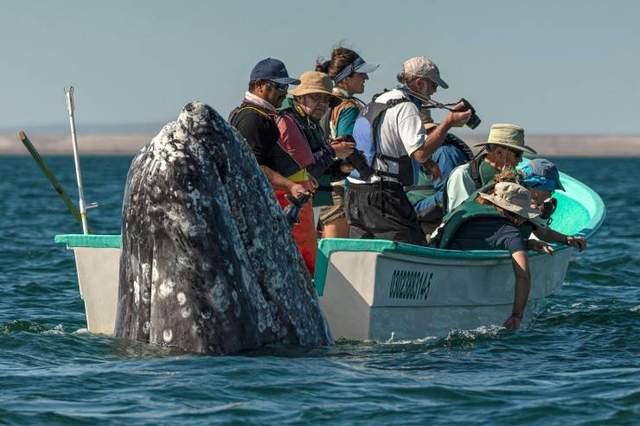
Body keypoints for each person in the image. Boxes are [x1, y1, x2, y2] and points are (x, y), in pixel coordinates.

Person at [346, 56, 471, 244]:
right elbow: (419, 153)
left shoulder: (381, 99)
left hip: (355, 191)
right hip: (382, 192)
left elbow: (388, 143)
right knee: (415, 248)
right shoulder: (406, 107)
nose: (434, 92)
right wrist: (448, 123)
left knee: (365, 252)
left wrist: (428, 163)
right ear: (420, 83)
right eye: (433, 86)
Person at [436, 182, 586, 329]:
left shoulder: (471, 209)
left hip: (439, 273)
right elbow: (523, 274)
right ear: (517, 214)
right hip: (459, 285)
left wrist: (527, 243)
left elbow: (485, 239)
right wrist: (517, 315)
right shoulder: (510, 232)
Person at [276, 71, 354, 272]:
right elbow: (300, 169)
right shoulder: (289, 122)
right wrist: (332, 151)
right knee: (299, 261)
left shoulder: (309, 123)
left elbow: (315, 169)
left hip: (305, 202)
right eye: (315, 97)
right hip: (290, 202)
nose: (322, 103)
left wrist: (342, 168)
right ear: (300, 97)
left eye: (326, 99)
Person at [315, 47, 379, 238]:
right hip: (338, 189)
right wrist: (367, 173)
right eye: (361, 74)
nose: (366, 78)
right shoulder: (348, 107)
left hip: (319, 183)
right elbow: (347, 148)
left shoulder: (322, 102)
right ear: (346, 78)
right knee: (337, 255)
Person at [228, 58, 310, 199]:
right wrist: (291, 185)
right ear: (260, 85)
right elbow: (253, 166)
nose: (285, 93)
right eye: (280, 87)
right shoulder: (251, 119)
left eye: (286, 88)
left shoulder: (260, 116)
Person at [445, 123, 537, 213]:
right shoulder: (463, 175)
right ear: (499, 152)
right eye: (518, 154)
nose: (520, 160)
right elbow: (459, 216)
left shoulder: (513, 179)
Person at [407, 116, 474, 237]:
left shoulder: (444, 153)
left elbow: (448, 196)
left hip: (433, 226)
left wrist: (411, 210)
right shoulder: (424, 155)